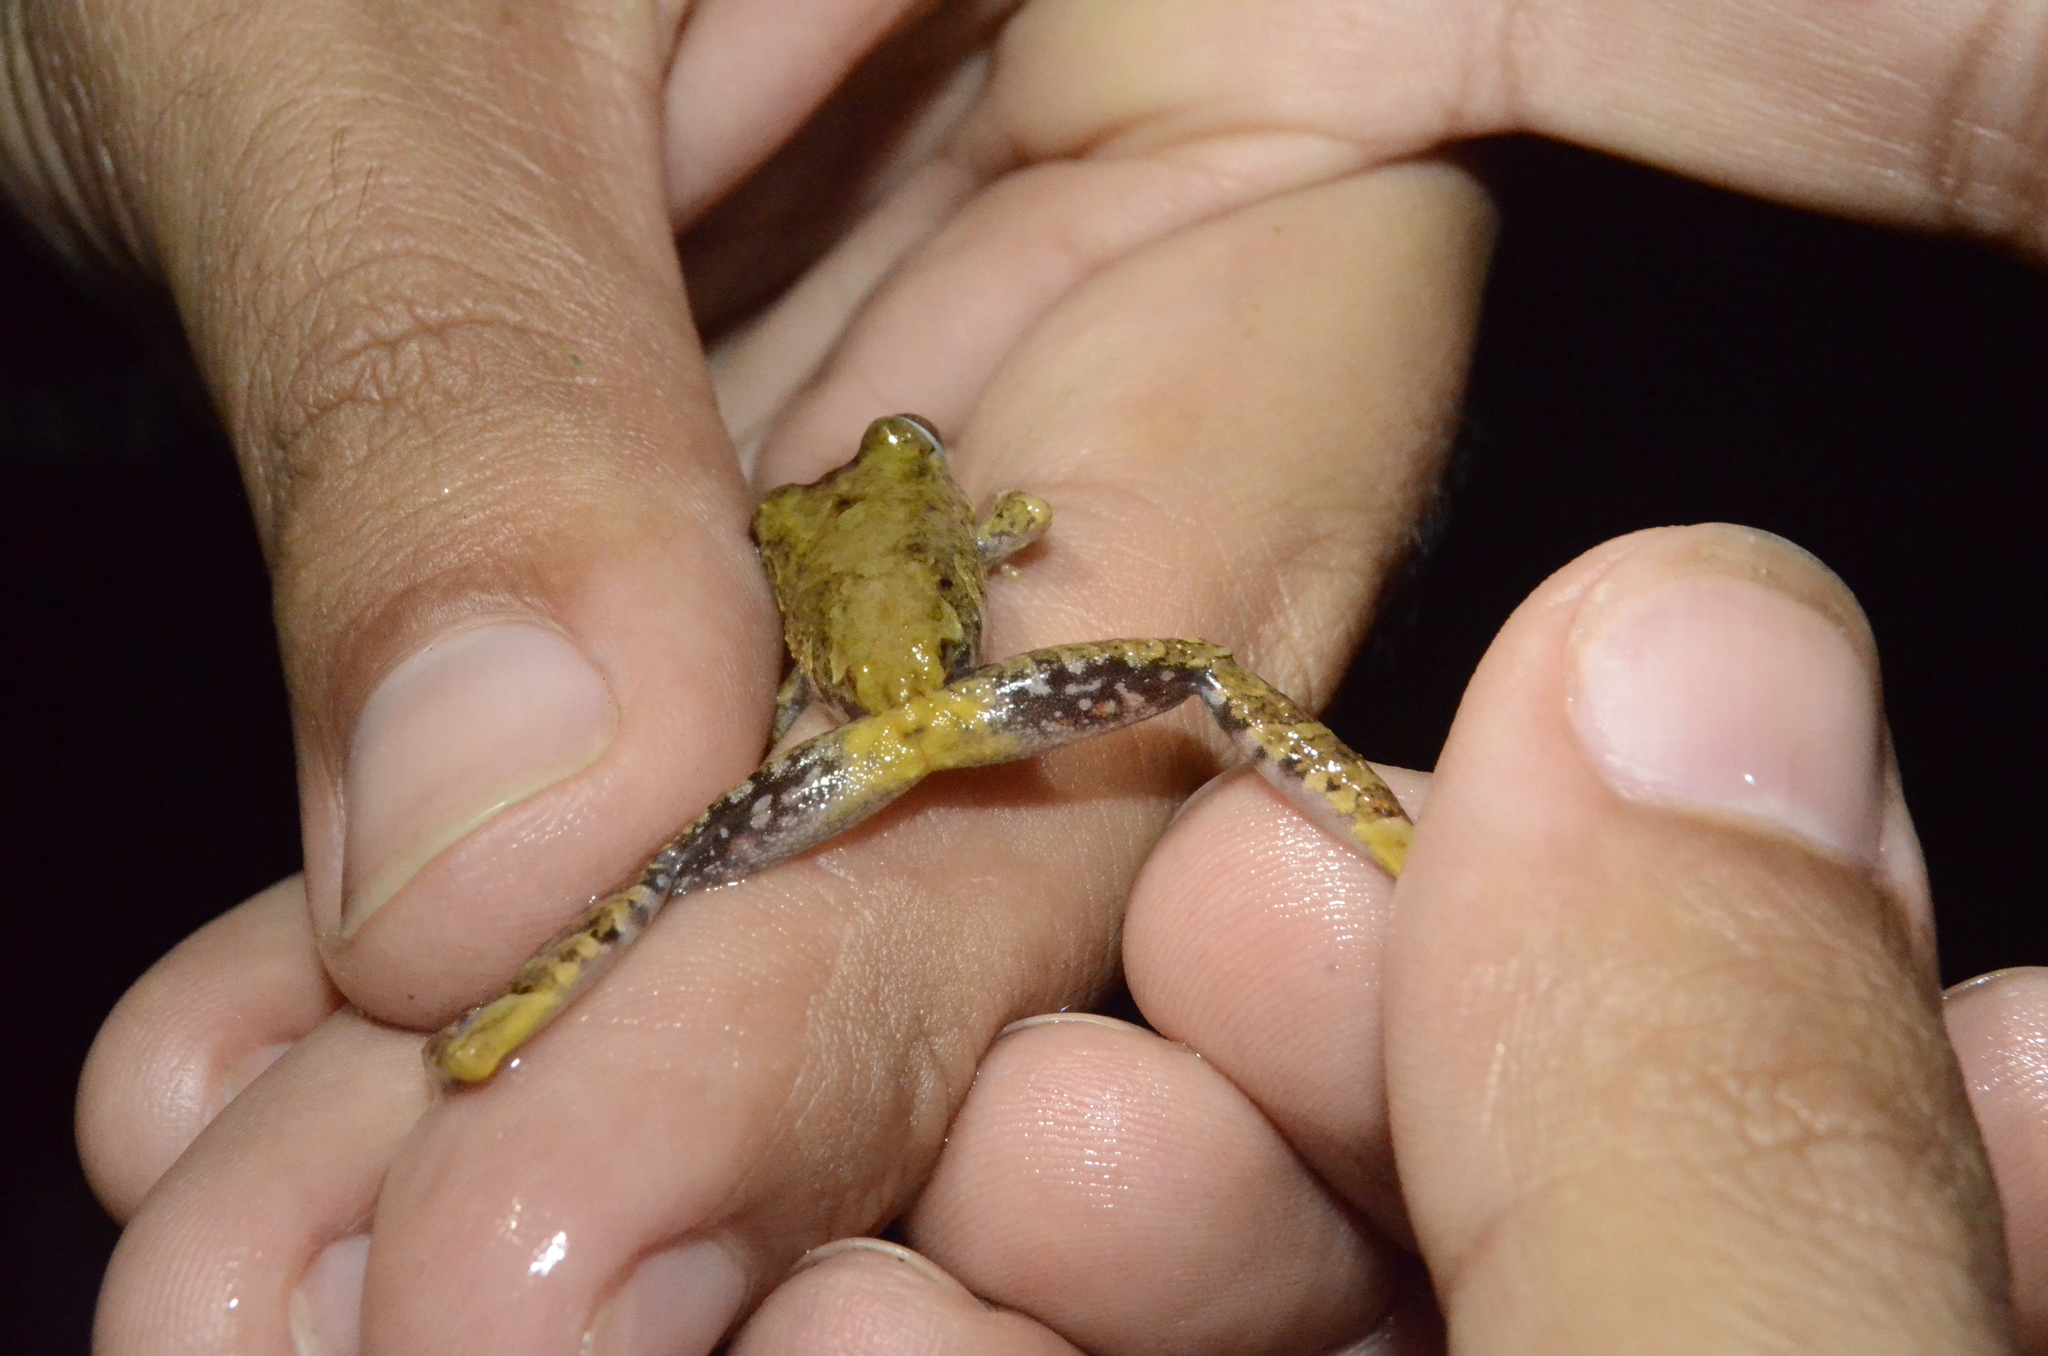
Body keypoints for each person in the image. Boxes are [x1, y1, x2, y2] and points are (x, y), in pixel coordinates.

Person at [12, 1, 2041, 1350]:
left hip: (855, 748)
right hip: (929, 724)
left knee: (689, 873)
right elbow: (989, 563)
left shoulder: (851, 529)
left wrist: (930, 582)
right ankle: (543, 989)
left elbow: (953, 551)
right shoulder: (887, 530)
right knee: (1160, 699)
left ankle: (546, 989)